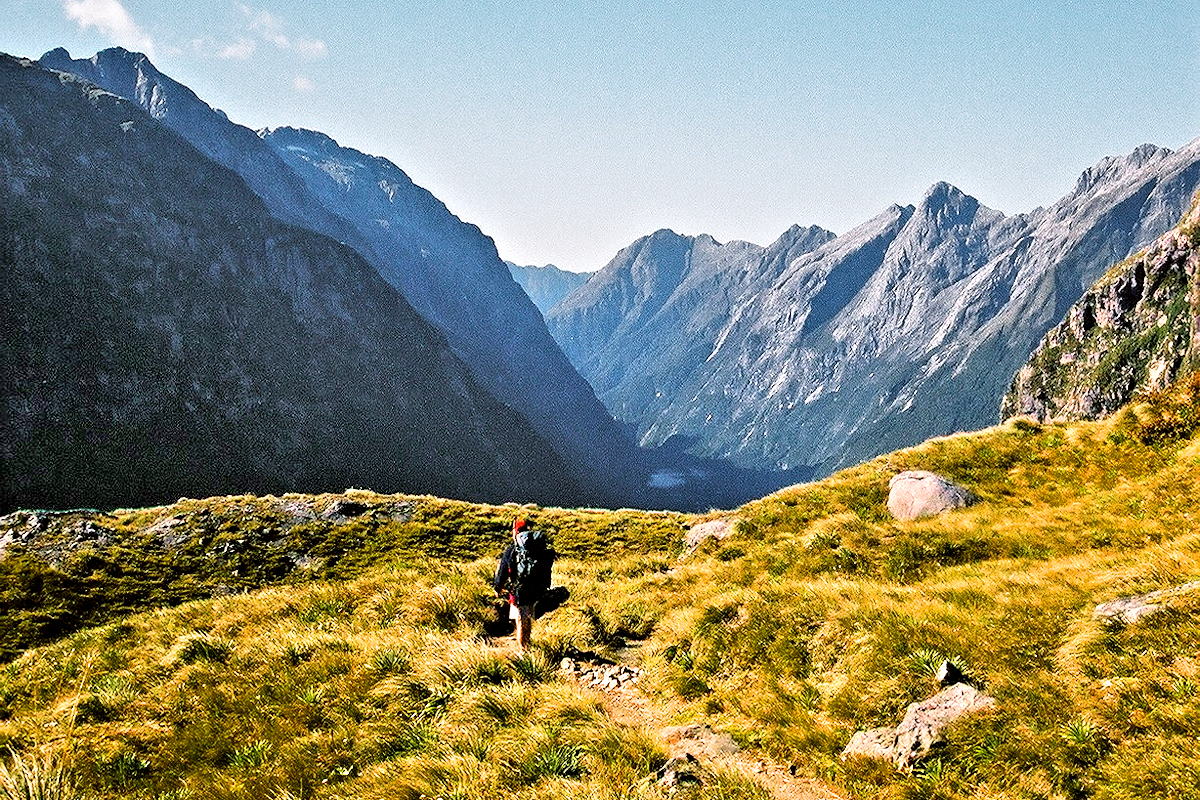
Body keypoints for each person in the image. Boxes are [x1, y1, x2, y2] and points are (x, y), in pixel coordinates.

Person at [493, 517, 553, 650]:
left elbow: (503, 570)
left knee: (520, 620)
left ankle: (523, 651)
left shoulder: (513, 549)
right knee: (527, 617)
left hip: (519, 590)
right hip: (536, 589)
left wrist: (498, 587)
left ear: (516, 531)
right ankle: (527, 644)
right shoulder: (537, 547)